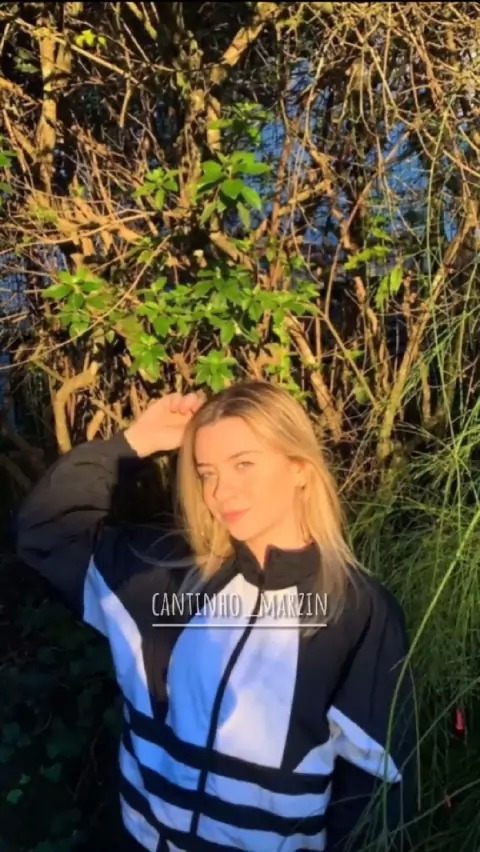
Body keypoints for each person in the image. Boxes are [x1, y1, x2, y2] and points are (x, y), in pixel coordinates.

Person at [16, 380, 417, 852]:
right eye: (206, 472)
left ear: (300, 469)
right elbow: (47, 529)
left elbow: (376, 793)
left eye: (243, 463)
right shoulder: (162, 576)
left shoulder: (358, 612)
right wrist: (135, 442)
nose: (221, 491)